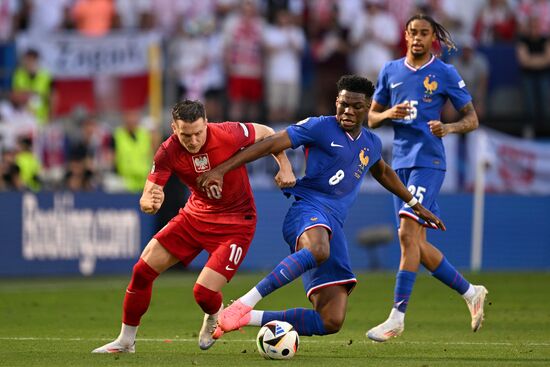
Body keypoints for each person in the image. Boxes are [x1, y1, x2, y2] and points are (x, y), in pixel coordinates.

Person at [196, 75, 445, 338]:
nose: (348, 111)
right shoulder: (319, 127)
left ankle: (241, 317)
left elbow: (383, 172)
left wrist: (415, 203)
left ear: (368, 107)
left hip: (332, 225)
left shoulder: (371, 143)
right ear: (336, 102)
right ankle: (247, 301)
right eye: (343, 104)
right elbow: (270, 143)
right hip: (306, 211)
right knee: (317, 249)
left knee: (330, 320)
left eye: (356, 106)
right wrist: (221, 170)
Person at [91, 99, 295, 353]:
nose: (193, 140)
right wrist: (149, 202)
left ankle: (213, 315)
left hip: (236, 223)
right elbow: (149, 192)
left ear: (207, 123)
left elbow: (268, 133)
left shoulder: (228, 133)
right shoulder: (167, 151)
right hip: (194, 217)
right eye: (186, 134)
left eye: (198, 133)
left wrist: (285, 166)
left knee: (203, 294)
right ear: (174, 128)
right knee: (141, 271)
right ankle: (125, 341)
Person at [365, 14, 487, 343]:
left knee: (407, 234)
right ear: (405, 36)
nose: (418, 38)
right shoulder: (390, 71)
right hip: (399, 166)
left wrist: (448, 127)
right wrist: (389, 113)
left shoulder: (444, 73)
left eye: (424, 33)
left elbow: (472, 119)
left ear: (433, 38)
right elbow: (372, 118)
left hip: (428, 162)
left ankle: (396, 317)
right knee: (416, 243)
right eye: (413, 32)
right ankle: (471, 292)